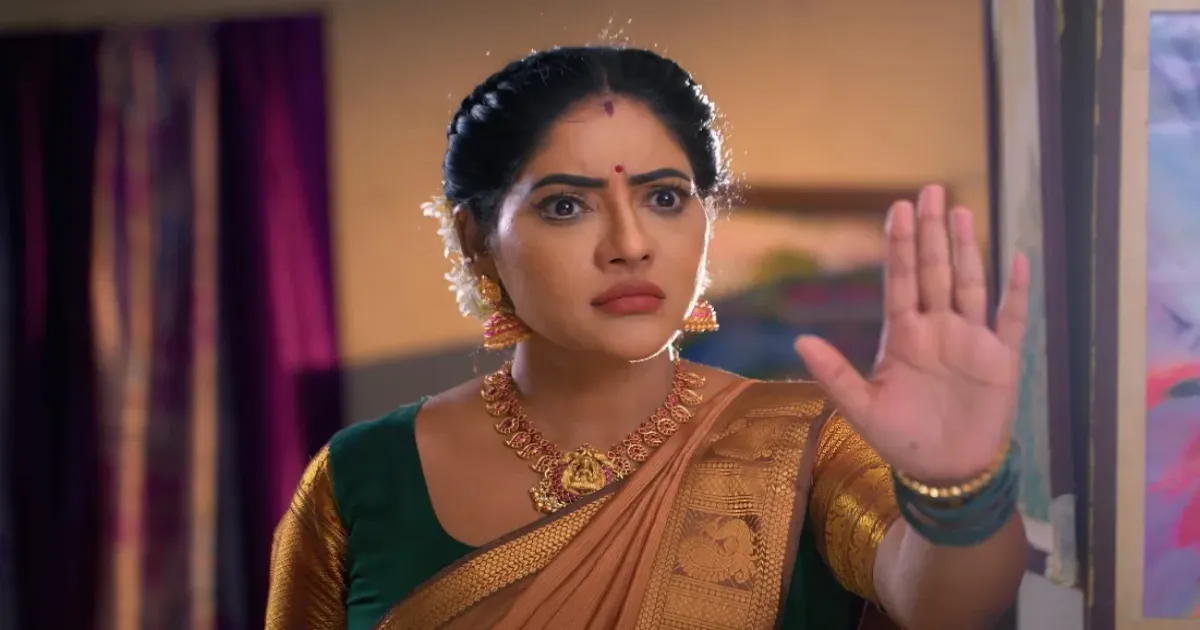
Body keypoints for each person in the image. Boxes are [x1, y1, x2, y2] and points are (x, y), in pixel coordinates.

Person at [265, 45, 1029, 630]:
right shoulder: (361, 477)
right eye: (566, 206)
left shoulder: (801, 444)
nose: (630, 245)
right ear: (476, 239)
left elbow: (944, 604)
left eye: (664, 197)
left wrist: (957, 487)